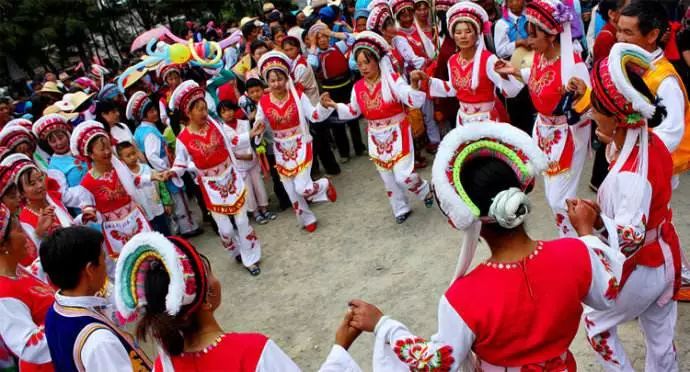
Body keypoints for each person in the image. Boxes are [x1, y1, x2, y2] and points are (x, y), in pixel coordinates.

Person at [347, 120, 623, 370]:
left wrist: (384, 325)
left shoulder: (462, 298)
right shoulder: (575, 255)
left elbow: (436, 363)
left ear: (464, 218)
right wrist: (586, 232)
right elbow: (608, 291)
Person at [570, 42, 681, 372]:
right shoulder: (651, 139)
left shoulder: (630, 174)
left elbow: (631, 237)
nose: (591, 114)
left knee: (596, 325)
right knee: (660, 337)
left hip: (644, 266)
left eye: (597, 110)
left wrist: (587, 229)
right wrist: (602, 217)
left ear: (618, 119)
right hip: (664, 255)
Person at [114, 232, 362, 371]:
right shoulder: (251, 352)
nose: (215, 278)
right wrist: (340, 349)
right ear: (206, 296)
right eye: (208, 271)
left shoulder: (164, 365)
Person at [496, 0, 592, 237]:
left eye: (533, 35)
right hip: (544, 133)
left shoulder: (573, 66)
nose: (529, 41)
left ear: (551, 36)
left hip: (567, 137)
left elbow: (591, 106)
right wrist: (516, 71)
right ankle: (572, 235)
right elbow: (539, 78)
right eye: (527, 35)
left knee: (557, 198)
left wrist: (580, 95)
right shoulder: (540, 56)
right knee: (555, 193)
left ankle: (580, 234)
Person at [321, 32, 434, 223]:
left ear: (377, 61)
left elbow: (410, 97)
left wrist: (414, 83)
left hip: (398, 132)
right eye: (360, 63)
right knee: (388, 178)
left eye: (367, 62)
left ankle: (423, 188)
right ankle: (400, 208)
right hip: (375, 136)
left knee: (403, 176)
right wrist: (333, 105)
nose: (363, 67)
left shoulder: (392, 80)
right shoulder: (358, 87)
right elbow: (353, 110)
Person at [167, 80, 263, 275]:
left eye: (204, 108)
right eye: (199, 109)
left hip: (231, 178)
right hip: (211, 188)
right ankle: (234, 249)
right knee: (226, 230)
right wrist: (171, 172)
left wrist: (251, 134)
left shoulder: (216, 126)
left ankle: (250, 258)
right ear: (188, 112)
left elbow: (233, 141)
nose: (204, 113)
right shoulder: (183, 139)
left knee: (243, 222)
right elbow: (180, 162)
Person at [41, 226, 152, 371]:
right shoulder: (100, 342)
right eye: (103, 260)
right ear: (90, 270)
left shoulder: (55, 311)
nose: (106, 267)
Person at [255, 52, 338, 232]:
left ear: (286, 78)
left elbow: (314, 116)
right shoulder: (263, 101)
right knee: (292, 192)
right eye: (272, 80)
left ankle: (323, 184)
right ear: (266, 82)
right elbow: (260, 123)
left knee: (303, 188)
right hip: (280, 149)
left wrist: (323, 106)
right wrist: (258, 129)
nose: (276, 84)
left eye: (279, 79)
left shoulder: (297, 95)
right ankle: (307, 219)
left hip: (301, 144)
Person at [71, 121, 160, 266]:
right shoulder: (87, 182)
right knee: (130, 264)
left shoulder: (119, 168)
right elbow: (87, 205)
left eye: (108, 147)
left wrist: (152, 177)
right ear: (91, 154)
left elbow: (133, 181)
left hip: (135, 217)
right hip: (115, 230)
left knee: (151, 254)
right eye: (101, 149)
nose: (107, 152)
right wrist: (88, 213)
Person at [425, 2, 524, 124]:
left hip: (487, 120)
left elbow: (510, 92)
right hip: (463, 120)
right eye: (458, 32)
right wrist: (428, 81)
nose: (463, 36)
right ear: (453, 35)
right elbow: (453, 89)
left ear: (477, 34)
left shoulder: (489, 59)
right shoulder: (452, 60)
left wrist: (504, 74)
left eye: (468, 31)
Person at [128, 91, 200, 237]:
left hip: (156, 172)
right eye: (151, 111)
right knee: (178, 198)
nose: (155, 113)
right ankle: (187, 227)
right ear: (144, 115)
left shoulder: (139, 130)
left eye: (154, 109)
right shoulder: (150, 133)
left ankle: (181, 227)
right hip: (164, 170)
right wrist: (168, 169)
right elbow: (152, 155)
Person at [0, 203, 55, 371]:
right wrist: (68, 314)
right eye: (19, 230)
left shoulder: (15, 270)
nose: (26, 236)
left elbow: (33, 276)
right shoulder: (3, 294)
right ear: (3, 245)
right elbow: (29, 346)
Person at [283, 35, 342, 177]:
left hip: (312, 105)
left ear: (297, 49)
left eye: (291, 49)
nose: (288, 52)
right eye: (285, 50)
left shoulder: (301, 66)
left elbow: (296, 88)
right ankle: (325, 168)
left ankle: (329, 168)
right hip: (308, 105)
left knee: (319, 140)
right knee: (317, 139)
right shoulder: (294, 64)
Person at [307, 22, 366, 163]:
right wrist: (313, 46)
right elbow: (312, 65)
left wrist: (332, 33)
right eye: (319, 37)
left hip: (346, 86)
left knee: (353, 118)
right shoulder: (315, 55)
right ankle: (344, 152)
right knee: (337, 123)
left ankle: (359, 147)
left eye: (324, 36)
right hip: (331, 90)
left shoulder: (337, 47)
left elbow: (353, 39)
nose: (323, 39)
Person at [217, 100, 276, 225]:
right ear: (220, 115)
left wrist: (253, 149)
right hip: (239, 164)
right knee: (247, 189)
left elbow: (253, 140)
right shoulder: (222, 130)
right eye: (224, 112)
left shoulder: (244, 123)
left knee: (259, 185)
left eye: (229, 110)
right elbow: (230, 146)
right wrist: (242, 156)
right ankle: (255, 212)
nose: (228, 113)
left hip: (252, 159)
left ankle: (264, 209)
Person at [238, 78, 292, 211]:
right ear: (248, 95)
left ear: (263, 90)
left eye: (258, 90)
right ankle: (284, 200)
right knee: (276, 174)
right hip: (269, 147)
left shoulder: (272, 101)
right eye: (252, 92)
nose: (256, 94)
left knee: (290, 169)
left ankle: (295, 196)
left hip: (284, 142)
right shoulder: (251, 113)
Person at [34, 114, 88, 217]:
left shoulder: (80, 149)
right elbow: (63, 196)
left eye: (60, 137)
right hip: (86, 211)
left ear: (67, 134)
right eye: (53, 141)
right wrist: (89, 192)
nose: (58, 143)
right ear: (48, 144)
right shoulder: (54, 167)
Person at [117, 141, 172, 237]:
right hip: (144, 213)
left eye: (133, 153)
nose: (132, 157)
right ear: (121, 159)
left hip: (157, 208)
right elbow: (135, 182)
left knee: (166, 233)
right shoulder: (125, 176)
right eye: (128, 156)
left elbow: (160, 184)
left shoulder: (146, 168)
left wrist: (166, 201)